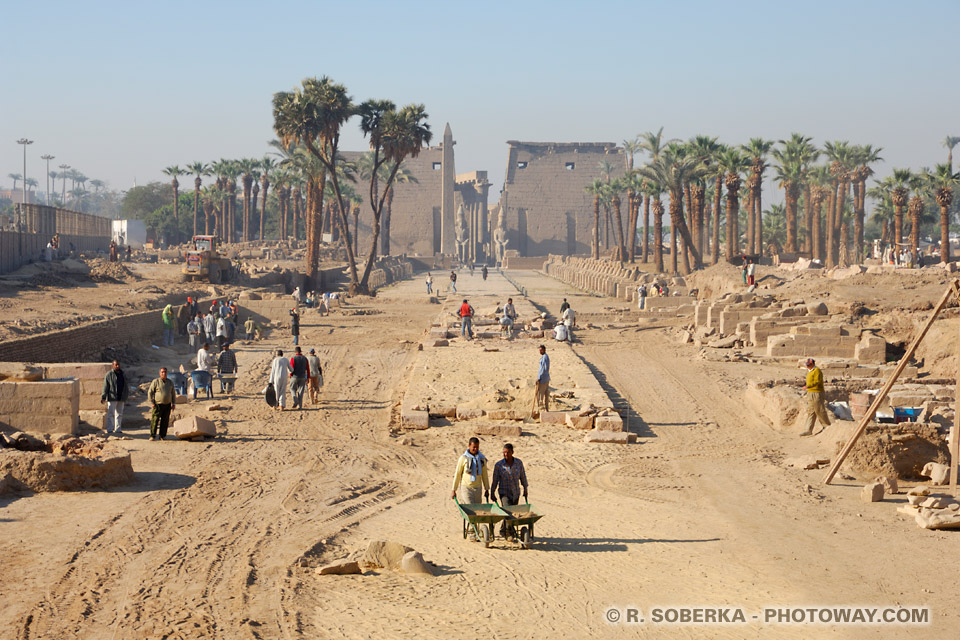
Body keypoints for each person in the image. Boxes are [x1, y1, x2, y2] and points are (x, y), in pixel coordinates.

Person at [450, 437, 490, 540]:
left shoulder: (482, 459)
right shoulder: (463, 459)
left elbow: (485, 474)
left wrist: (486, 488)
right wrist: (453, 489)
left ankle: (476, 530)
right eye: (473, 447)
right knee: (470, 510)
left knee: (478, 510)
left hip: (478, 488)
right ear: (469, 446)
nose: (475, 449)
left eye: (477, 447)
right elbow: (457, 474)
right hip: (466, 488)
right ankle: (472, 531)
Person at [491, 443, 528, 540]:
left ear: (512, 452)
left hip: (515, 492)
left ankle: (503, 530)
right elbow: (495, 480)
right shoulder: (499, 465)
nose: (506, 454)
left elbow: (522, 476)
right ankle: (509, 533)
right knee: (508, 511)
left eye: (508, 452)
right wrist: (492, 492)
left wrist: (525, 488)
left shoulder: (518, 463)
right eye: (504, 452)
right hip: (504, 493)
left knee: (513, 513)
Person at [800, 358, 831, 436]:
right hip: (810, 392)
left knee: (819, 410)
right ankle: (808, 430)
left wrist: (808, 386)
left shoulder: (817, 371)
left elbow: (817, 382)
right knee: (811, 411)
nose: (807, 366)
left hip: (816, 393)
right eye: (807, 365)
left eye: (809, 365)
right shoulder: (809, 371)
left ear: (813, 364)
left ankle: (827, 426)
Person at [100, 360, 128, 437]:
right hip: (112, 397)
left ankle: (118, 429)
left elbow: (125, 385)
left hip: (121, 397)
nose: (117, 366)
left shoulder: (123, 374)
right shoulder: (109, 375)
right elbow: (105, 386)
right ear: (113, 365)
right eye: (116, 365)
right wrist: (103, 396)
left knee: (119, 414)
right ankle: (110, 429)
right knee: (111, 414)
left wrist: (126, 395)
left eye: (118, 365)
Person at [147, 367, 176, 441]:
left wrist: (173, 403)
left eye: (165, 372)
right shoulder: (156, 381)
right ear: (159, 373)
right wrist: (152, 402)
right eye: (162, 372)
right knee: (155, 420)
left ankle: (162, 435)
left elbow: (173, 393)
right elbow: (150, 392)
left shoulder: (170, 382)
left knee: (165, 421)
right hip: (158, 404)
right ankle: (152, 435)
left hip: (167, 404)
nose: (164, 373)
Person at [533, 344, 550, 415]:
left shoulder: (545, 358)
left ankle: (542, 410)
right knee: (546, 395)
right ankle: (546, 409)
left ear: (543, 350)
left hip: (543, 379)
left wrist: (539, 378)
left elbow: (544, 369)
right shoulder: (545, 357)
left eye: (540, 350)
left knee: (540, 396)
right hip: (546, 378)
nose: (539, 351)